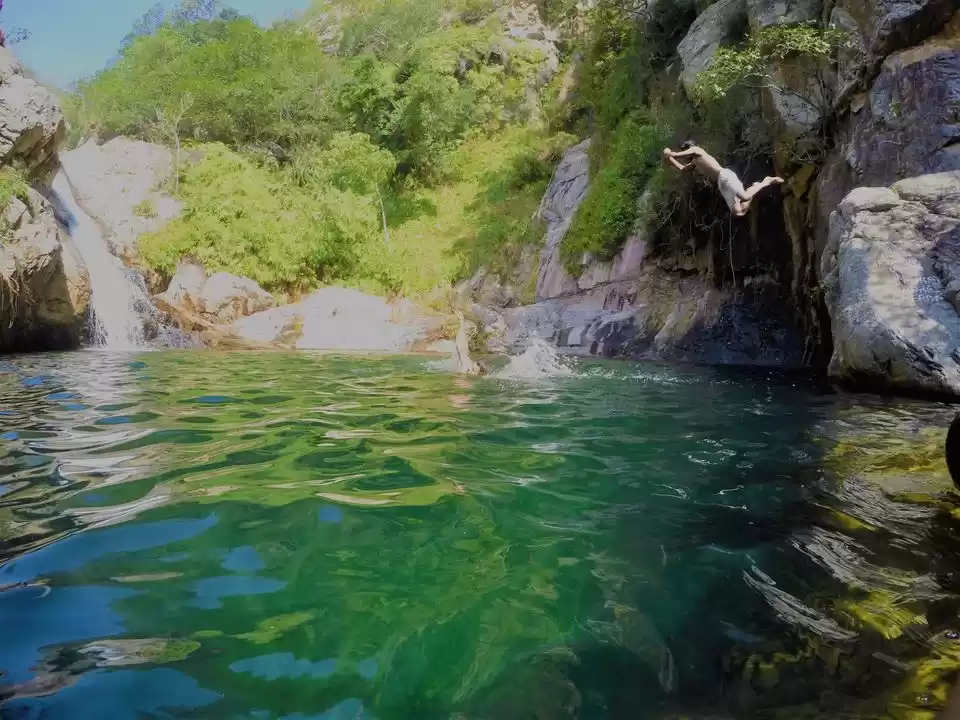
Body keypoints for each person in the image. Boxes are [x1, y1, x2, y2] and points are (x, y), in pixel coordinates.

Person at [662, 140, 783, 217]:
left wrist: (669, 153)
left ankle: (765, 182)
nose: (686, 155)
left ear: (689, 147)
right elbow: (683, 169)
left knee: (745, 197)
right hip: (721, 183)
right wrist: (671, 160)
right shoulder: (695, 162)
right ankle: (754, 189)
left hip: (725, 176)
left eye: (686, 151)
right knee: (738, 212)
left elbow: (675, 155)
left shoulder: (697, 150)